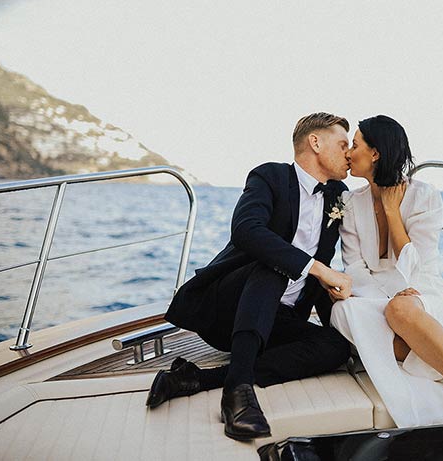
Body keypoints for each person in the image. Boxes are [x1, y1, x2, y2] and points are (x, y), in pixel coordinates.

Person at [148, 112, 354, 441]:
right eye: (343, 143)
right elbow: (246, 231)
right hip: (228, 310)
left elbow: (322, 279)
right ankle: (237, 397)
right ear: (315, 142)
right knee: (274, 263)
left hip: (276, 318)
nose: (349, 152)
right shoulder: (269, 176)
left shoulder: (338, 196)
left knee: (335, 348)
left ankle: (199, 379)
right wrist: (317, 268)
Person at [330, 115, 443, 448]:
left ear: (375, 153)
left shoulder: (424, 195)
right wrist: (385, 296)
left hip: (421, 290)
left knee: (400, 311)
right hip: (373, 293)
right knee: (342, 313)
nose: (348, 152)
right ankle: (436, 356)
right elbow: (354, 267)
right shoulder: (349, 202)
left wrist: (390, 211)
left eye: (354, 145)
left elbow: (419, 264)